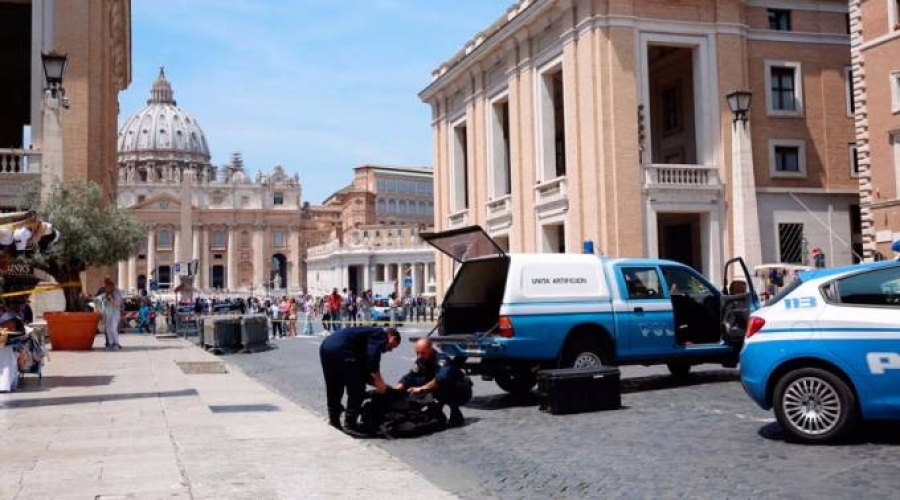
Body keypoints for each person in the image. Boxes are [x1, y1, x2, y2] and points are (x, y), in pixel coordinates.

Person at [319, 326, 401, 434]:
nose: (390, 350)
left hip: (326, 347)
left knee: (334, 385)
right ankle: (350, 424)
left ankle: (334, 421)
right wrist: (379, 382)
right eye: (392, 347)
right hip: (342, 349)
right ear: (392, 338)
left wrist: (377, 384)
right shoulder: (380, 334)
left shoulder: (364, 339)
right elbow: (372, 359)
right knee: (357, 388)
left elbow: (363, 370)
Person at [395, 338, 471, 428]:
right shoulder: (421, 360)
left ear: (430, 349)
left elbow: (442, 378)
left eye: (422, 352)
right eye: (417, 352)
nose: (419, 356)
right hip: (444, 389)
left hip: (462, 391)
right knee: (416, 382)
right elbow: (410, 376)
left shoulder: (442, 359)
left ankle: (455, 413)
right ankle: (436, 410)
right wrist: (397, 388)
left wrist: (422, 388)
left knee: (441, 383)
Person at [97, 277, 124, 349]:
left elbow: (118, 304)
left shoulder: (116, 292)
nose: (106, 287)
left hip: (115, 313)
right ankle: (110, 343)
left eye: (107, 285)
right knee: (108, 329)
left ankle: (116, 343)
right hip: (108, 313)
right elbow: (101, 302)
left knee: (113, 328)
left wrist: (110, 299)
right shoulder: (106, 293)